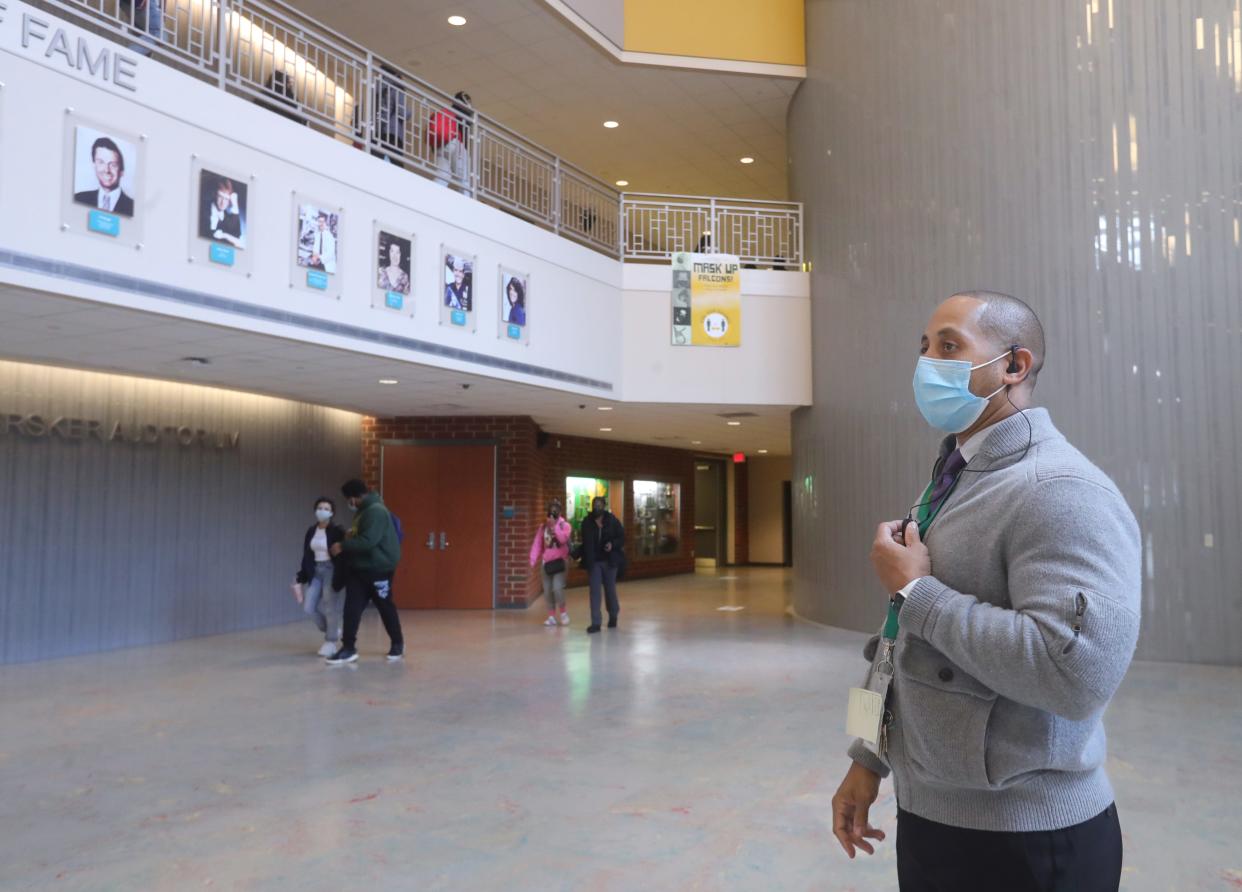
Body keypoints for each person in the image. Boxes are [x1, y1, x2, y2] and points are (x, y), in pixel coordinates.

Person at [831, 291, 1140, 891]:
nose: (927, 363)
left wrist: (919, 590)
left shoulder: (1062, 489)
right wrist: (864, 757)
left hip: (1027, 843)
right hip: (930, 818)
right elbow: (893, 637)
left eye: (949, 346)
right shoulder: (949, 481)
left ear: (1014, 366)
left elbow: (1076, 676)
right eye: (924, 347)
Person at [326, 479, 405, 665]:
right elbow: (362, 535)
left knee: (385, 607)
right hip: (360, 568)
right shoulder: (364, 511)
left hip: (379, 568)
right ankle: (348, 648)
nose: (349, 503)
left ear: (354, 497)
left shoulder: (376, 511)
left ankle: (397, 644)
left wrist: (343, 545)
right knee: (351, 609)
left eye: (349, 499)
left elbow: (369, 541)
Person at [295, 497, 346, 657]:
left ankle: (330, 642)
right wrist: (301, 576)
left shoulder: (337, 531)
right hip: (315, 570)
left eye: (326, 508)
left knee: (330, 606)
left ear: (331, 512)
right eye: (319, 507)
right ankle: (333, 629)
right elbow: (307, 555)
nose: (322, 510)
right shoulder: (311, 531)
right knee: (308, 607)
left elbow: (343, 554)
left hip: (330, 569)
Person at [578, 496, 625, 634]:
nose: (597, 507)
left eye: (599, 505)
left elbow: (622, 537)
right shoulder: (587, 522)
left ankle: (613, 614)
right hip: (594, 562)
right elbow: (585, 543)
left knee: (610, 590)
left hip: (610, 560)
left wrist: (612, 544)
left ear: (604, 506)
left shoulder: (612, 520)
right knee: (595, 592)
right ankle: (596, 622)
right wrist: (576, 554)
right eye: (595, 504)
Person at [530, 499, 571, 626]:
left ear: (560, 512)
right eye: (551, 509)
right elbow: (537, 544)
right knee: (547, 591)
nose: (553, 512)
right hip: (546, 564)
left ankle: (563, 613)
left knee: (557, 588)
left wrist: (554, 527)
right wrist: (533, 559)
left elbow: (563, 539)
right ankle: (551, 616)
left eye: (556, 510)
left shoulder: (565, 526)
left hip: (560, 563)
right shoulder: (543, 527)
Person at [73, 137, 135, 217]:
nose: (107, 170)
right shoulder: (79, 199)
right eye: (101, 162)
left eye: (113, 164)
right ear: (94, 165)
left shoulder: (133, 208)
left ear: (121, 171)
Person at [432, 90, 473, 187]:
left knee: (444, 173)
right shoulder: (460, 111)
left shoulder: (447, 111)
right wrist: (470, 110)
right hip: (455, 143)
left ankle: (434, 191)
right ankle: (465, 199)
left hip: (441, 145)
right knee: (464, 177)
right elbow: (467, 123)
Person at [203, 177, 243, 248]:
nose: (223, 203)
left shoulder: (227, 217)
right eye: (220, 196)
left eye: (226, 199)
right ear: (215, 195)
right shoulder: (203, 209)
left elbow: (237, 238)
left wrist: (235, 206)